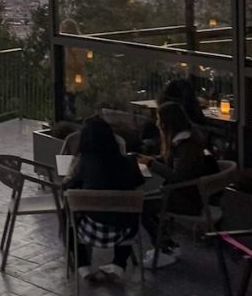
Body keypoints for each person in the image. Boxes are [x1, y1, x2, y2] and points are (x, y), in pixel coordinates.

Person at [64, 115, 144, 283]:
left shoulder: (85, 162)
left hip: (89, 230)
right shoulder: (128, 162)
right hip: (123, 232)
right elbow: (139, 181)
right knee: (129, 216)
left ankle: (83, 267)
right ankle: (118, 265)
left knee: (67, 215)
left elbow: (69, 185)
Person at [139, 100, 217, 268]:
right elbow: (173, 165)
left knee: (144, 207)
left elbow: (178, 176)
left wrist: (152, 165)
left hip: (187, 200)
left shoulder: (186, 147)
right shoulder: (183, 143)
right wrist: (152, 160)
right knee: (144, 203)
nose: (157, 123)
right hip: (184, 195)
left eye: (159, 120)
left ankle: (165, 247)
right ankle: (165, 245)